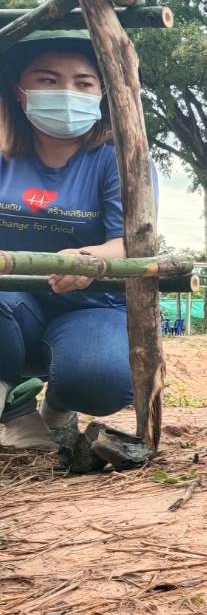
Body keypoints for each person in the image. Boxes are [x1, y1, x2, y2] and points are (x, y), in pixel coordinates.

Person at [0, 32, 137, 451]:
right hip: (11, 301)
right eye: (46, 80)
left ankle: (58, 407)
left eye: (83, 83)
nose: (65, 92)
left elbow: (130, 243)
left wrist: (86, 259)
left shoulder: (120, 158)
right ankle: (14, 410)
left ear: (102, 93)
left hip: (92, 303)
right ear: (19, 92)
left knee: (100, 380)